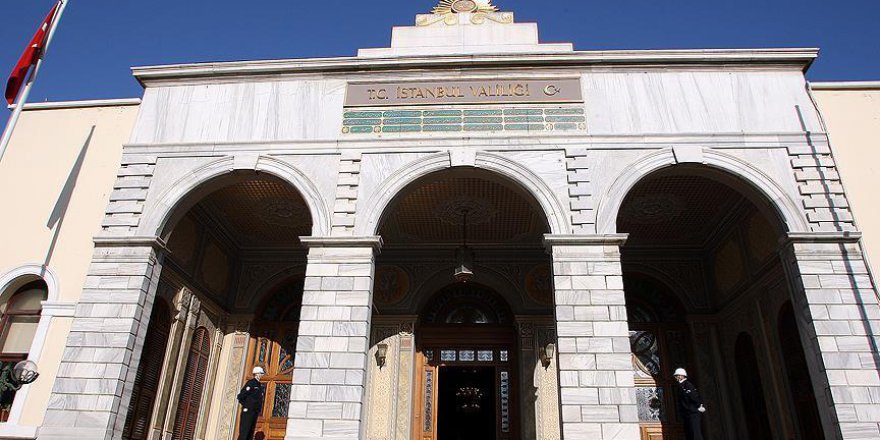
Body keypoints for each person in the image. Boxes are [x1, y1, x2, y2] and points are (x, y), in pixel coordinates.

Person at [674, 368, 706, 440]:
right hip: (686, 413)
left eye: (677, 375)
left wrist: (698, 406)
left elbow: (694, 397)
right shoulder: (681, 386)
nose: (675, 377)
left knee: (695, 434)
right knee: (689, 433)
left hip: (692, 412)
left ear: (682, 376)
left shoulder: (688, 385)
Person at [237, 366, 266, 440]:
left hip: (254, 411)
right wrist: (247, 405)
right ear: (256, 374)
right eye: (260, 373)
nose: (261, 375)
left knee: (250, 432)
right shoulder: (251, 383)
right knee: (244, 432)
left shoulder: (259, 385)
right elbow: (241, 396)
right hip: (248, 411)